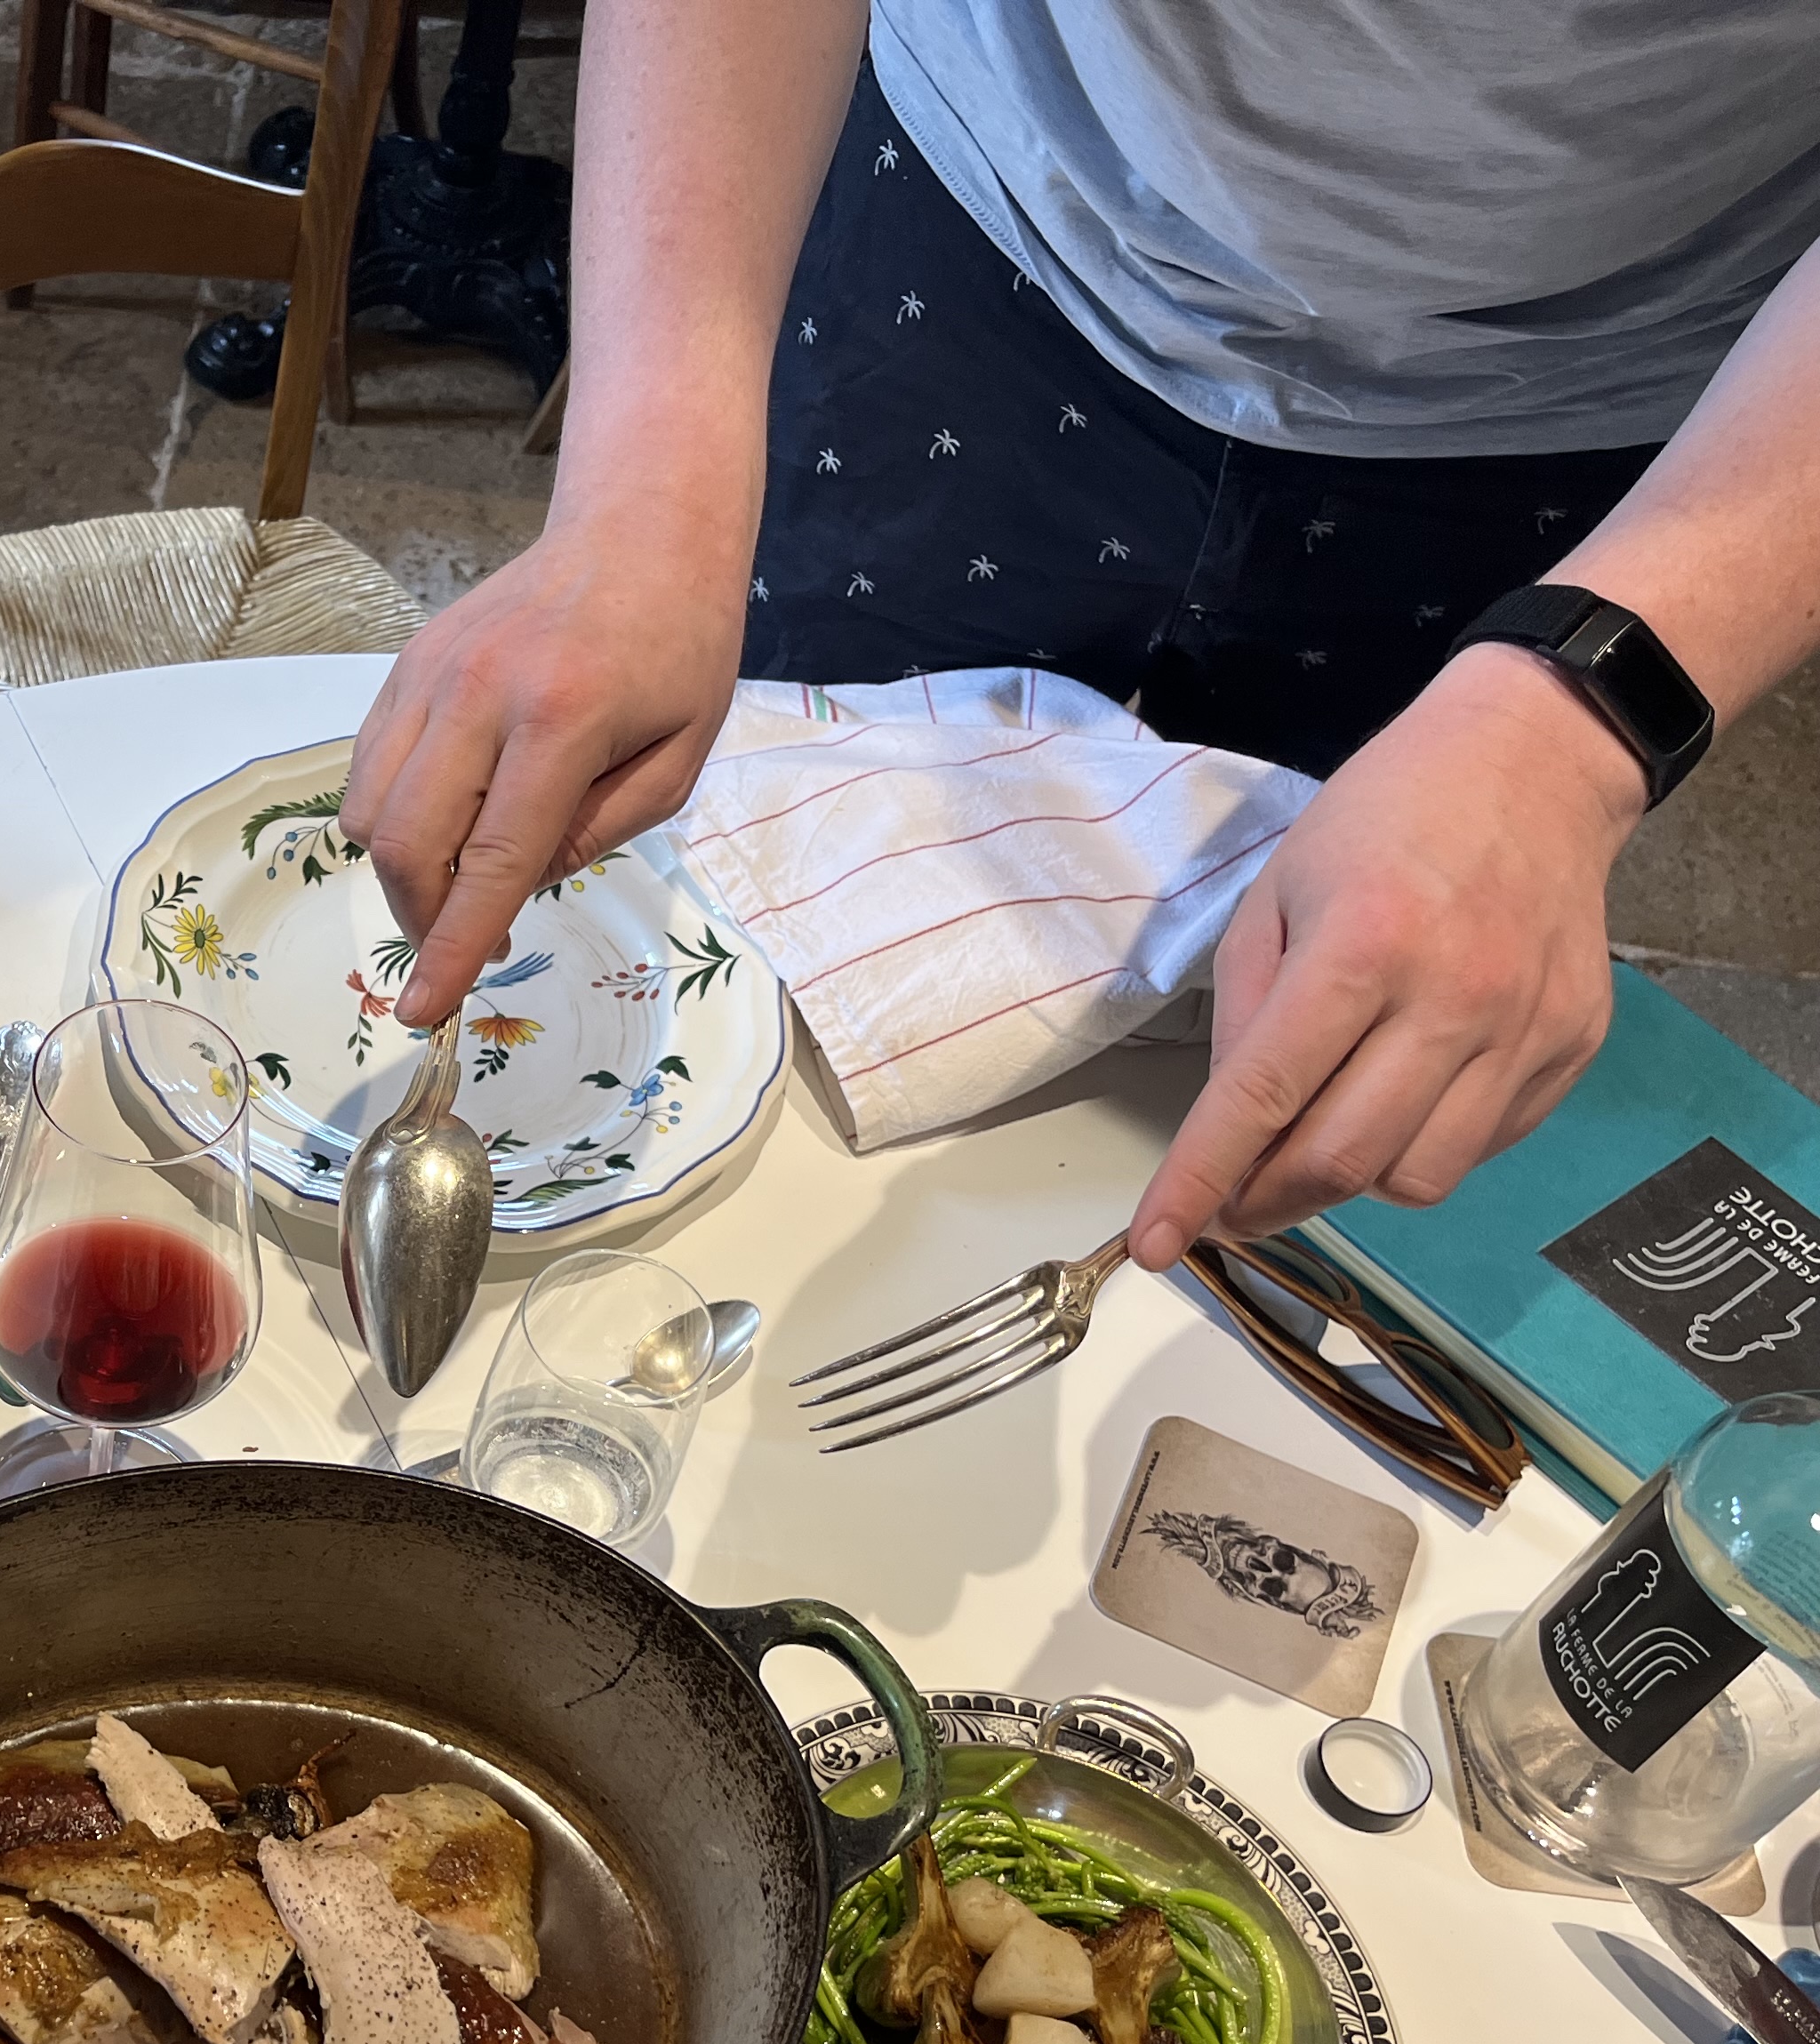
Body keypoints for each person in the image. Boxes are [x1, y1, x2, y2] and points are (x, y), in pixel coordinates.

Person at [337, 1, 1820, 1273]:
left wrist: (1580, 721)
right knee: (750, 963)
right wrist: (644, 483)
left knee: (1306, 1086)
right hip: (965, 258)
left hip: (1578, 438)